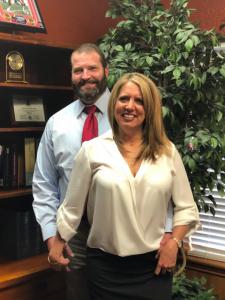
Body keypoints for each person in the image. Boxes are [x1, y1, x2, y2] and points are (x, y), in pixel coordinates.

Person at [33, 44, 173, 300]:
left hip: (127, 235)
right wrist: (52, 235)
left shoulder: (132, 113)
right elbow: (44, 184)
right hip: (74, 236)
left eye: (92, 68)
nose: (85, 75)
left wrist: (170, 232)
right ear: (72, 76)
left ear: (106, 70)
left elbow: (163, 181)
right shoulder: (57, 124)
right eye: (78, 70)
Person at [49, 72, 200, 300]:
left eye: (139, 101)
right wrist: (57, 242)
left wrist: (174, 243)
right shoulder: (92, 150)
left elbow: (186, 208)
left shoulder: (167, 151)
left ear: (149, 108)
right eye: (123, 99)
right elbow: (72, 208)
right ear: (114, 104)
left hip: (154, 267)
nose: (130, 106)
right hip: (105, 269)